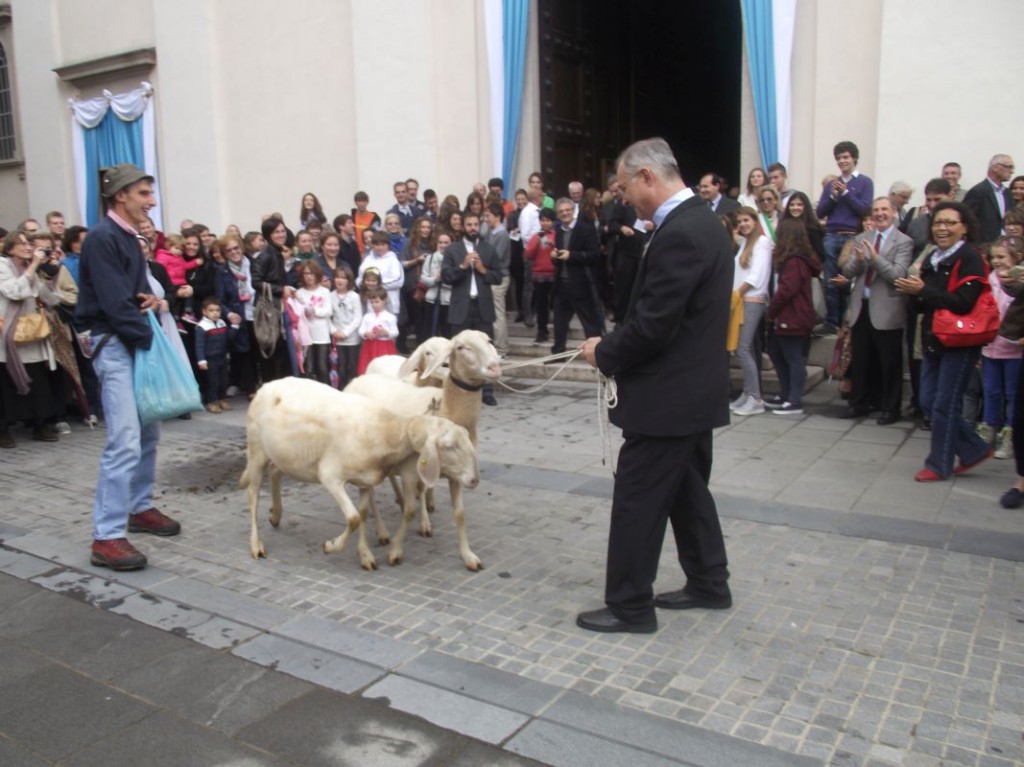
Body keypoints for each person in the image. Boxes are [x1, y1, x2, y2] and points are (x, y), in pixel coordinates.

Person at [576, 138, 733, 634]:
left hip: (668, 399)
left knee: (638, 501)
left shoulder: (682, 232)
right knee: (688, 492)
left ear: (647, 176)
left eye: (624, 188)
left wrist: (603, 351)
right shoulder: (700, 221)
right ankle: (709, 582)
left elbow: (654, 325)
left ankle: (630, 607)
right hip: (691, 394)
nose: (622, 199)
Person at [76, 164, 181, 571]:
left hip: (132, 342)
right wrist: (150, 342)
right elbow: (115, 303)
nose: (151, 201)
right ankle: (106, 536)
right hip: (117, 345)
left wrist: (152, 302)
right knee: (123, 440)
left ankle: (138, 507)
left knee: (148, 431)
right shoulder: (103, 238)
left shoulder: (127, 237)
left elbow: (133, 296)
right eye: (143, 194)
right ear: (120, 195)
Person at [893, 201, 993, 482]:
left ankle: (939, 464)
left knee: (944, 404)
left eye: (950, 222)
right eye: (938, 222)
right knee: (927, 400)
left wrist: (924, 290)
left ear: (964, 227)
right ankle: (974, 449)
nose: (942, 228)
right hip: (933, 338)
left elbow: (963, 303)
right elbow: (925, 303)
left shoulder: (970, 257)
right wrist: (912, 294)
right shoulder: (932, 257)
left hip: (960, 341)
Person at [839, 197, 914, 425]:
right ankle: (859, 402)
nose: (880, 214)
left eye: (884, 209)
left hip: (887, 309)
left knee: (889, 363)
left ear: (893, 212)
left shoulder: (904, 241)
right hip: (861, 306)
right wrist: (858, 261)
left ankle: (890, 408)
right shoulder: (862, 237)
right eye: (876, 210)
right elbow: (848, 272)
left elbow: (898, 275)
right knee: (861, 360)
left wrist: (875, 258)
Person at [0, 231, 66, 447]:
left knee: (38, 380)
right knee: (5, 383)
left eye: (29, 244)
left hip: (32, 332)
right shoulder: (2, 266)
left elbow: (51, 299)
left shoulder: (33, 268)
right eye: (21, 244)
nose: (28, 247)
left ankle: (40, 424)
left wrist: (51, 273)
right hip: (8, 332)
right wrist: (34, 266)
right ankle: (3, 429)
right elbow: (14, 291)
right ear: (10, 248)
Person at [442, 209, 503, 406]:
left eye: (476, 224)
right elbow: (446, 276)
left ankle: (487, 391)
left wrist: (482, 269)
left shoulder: (488, 248)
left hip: (482, 306)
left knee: (486, 349)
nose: (473, 228)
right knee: (459, 350)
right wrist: (462, 266)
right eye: (469, 225)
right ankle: (458, 389)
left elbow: (498, 276)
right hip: (461, 307)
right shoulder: (453, 250)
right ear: (463, 227)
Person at [815, 140, 874, 333]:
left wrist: (846, 193)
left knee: (849, 280)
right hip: (832, 235)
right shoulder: (831, 184)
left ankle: (848, 321)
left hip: (853, 236)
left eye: (845, 157)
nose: (842, 161)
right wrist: (833, 197)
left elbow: (864, 209)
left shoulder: (865, 182)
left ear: (854, 158)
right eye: (839, 158)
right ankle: (832, 322)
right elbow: (820, 212)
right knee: (830, 281)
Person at [766, 218, 822, 416]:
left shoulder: (795, 261)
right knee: (777, 353)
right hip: (790, 316)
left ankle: (794, 399)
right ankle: (787, 393)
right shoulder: (794, 259)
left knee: (793, 358)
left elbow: (787, 290)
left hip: (793, 316)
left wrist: (771, 311)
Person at [978, 238, 1023, 460]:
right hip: (989, 347)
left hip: (1014, 349)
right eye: (993, 257)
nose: (996, 261)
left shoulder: (1020, 283)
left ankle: (1010, 433)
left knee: (1013, 393)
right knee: (991, 390)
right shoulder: (988, 279)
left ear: (1017, 258)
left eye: (1002, 257)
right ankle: (988, 428)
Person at [729, 207, 773, 416]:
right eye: (739, 221)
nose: (743, 224)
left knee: (743, 349)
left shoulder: (762, 242)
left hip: (751, 300)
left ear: (755, 221)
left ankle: (755, 398)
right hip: (741, 300)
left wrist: (737, 294)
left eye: (746, 220)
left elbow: (756, 275)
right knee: (741, 348)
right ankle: (747, 393)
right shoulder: (746, 243)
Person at [551, 198, 605, 356]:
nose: (565, 213)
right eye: (561, 211)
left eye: (567, 210)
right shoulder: (559, 231)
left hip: (581, 283)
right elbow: (560, 258)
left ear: (573, 210)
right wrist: (554, 256)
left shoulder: (585, 229)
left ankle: (598, 354)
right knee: (559, 321)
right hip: (562, 283)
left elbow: (594, 255)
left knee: (589, 322)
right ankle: (558, 353)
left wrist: (571, 255)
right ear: (557, 214)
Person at [294, 260, 332, 384]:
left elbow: (328, 311)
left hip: (322, 334)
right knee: (308, 367)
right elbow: (296, 313)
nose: (309, 277)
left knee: (322, 366)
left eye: (312, 273)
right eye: (306, 274)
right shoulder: (299, 293)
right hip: (306, 336)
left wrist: (314, 311)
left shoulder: (324, 292)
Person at [523, 207, 557, 345]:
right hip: (539, 276)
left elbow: (561, 250)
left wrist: (553, 244)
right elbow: (528, 254)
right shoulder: (535, 236)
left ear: (552, 221)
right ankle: (542, 332)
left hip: (554, 274)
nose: (545, 223)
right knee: (541, 305)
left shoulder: (556, 235)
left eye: (548, 220)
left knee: (556, 304)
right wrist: (536, 242)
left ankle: (560, 330)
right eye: (542, 220)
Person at [963, 154, 1015, 243]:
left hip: (1005, 245)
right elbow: (966, 219)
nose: (1012, 171)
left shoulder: (1007, 193)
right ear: (995, 168)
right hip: (984, 246)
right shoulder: (978, 191)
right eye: (1009, 167)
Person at [195, 296, 231, 412]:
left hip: (222, 357)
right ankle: (212, 401)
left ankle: (222, 399)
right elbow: (199, 345)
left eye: (217, 310)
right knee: (213, 382)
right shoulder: (202, 326)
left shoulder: (222, 323)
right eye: (211, 310)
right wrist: (201, 360)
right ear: (204, 311)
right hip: (210, 359)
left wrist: (235, 327)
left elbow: (227, 339)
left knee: (224, 380)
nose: (215, 313)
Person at [484, 203, 511, 355]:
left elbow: (496, 257)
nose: (485, 219)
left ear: (497, 216)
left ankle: (502, 348)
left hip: (500, 277)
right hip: (491, 276)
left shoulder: (502, 235)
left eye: (488, 216)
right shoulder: (490, 232)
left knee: (498, 313)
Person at [329, 265, 362, 389]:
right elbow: (328, 317)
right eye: (337, 277)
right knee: (340, 368)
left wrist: (346, 332)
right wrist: (334, 331)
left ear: (349, 280)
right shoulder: (330, 296)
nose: (340, 280)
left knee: (352, 367)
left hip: (352, 340)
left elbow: (357, 318)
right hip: (337, 340)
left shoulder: (354, 296)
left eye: (343, 278)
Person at [357, 231, 403, 316]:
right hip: (368, 304)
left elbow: (398, 282)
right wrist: (365, 285)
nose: (380, 247)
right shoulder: (367, 259)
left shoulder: (394, 261)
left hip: (388, 304)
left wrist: (376, 286)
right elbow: (359, 279)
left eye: (383, 244)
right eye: (377, 245)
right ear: (373, 245)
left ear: (388, 245)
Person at [356, 286, 398, 374]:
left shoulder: (390, 317)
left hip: (384, 346)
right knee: (368, 367)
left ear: (384, 300)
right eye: (372, 302)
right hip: (369, 345)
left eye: (377, 302)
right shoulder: (367, 316)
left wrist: (386, 332)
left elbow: (395, 332)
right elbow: (361, 330)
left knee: (384, 368)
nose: (374, 305)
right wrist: (366, 333)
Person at [420, 231, 452, 339]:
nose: (443, 245)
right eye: (440, 242)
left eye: (446, 243)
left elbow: (457, 281)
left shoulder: (455, 259)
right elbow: (423, 278)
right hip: (431, 299)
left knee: (447, 331)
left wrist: (444, 281)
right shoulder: (430, 258)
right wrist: (435, 280)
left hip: (448, 300)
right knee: (429, 331)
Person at [351, 191, 381, 257]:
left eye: (363, 201)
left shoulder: (374, 218)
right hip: (355, 252)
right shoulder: (351, 217)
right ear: (355, 202)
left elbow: (376, 235)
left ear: (367, 202)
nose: (361, 204)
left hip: (369, 252)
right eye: (359, 201)